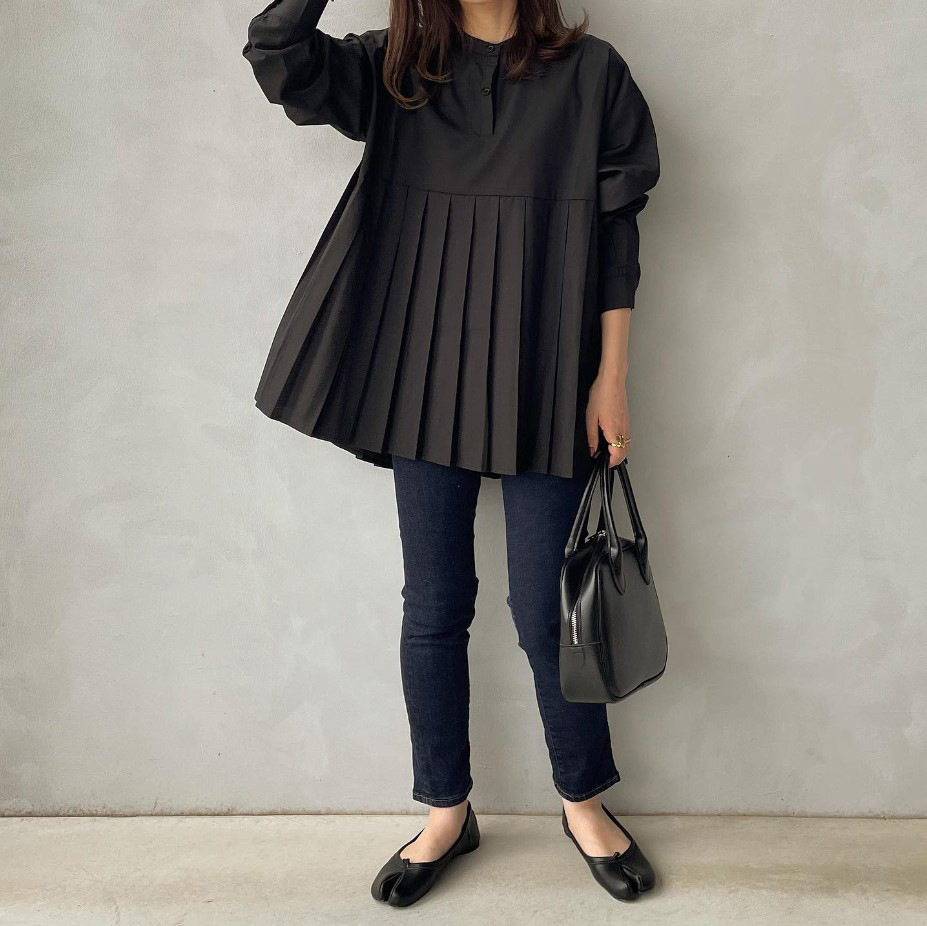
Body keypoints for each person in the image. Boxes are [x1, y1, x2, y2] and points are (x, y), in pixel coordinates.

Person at [242, 0, 661, 907]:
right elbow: (279, 54)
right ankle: (445, 810)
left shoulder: (592, 76)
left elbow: (616, 236)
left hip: (548, 369)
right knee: (433, 606)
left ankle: (582, 799)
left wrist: (610, 377)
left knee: (546, 609)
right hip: (422, 373)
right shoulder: (394, 68)